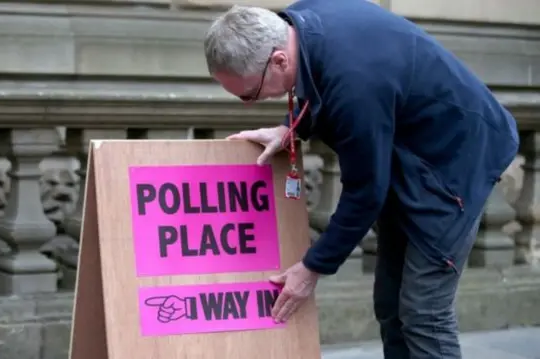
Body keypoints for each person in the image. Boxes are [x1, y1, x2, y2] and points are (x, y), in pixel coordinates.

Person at [203, 1, 520, 358]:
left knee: (423, 312)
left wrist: (312, 267)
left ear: (279, 60)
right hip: (404, 153)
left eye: (250, 94)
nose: (249, 104)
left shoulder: (355, 84)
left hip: (455, 165)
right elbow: (318, 82)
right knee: (390, 303)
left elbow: (366, 192)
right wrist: (289, 127)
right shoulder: (296, 21)